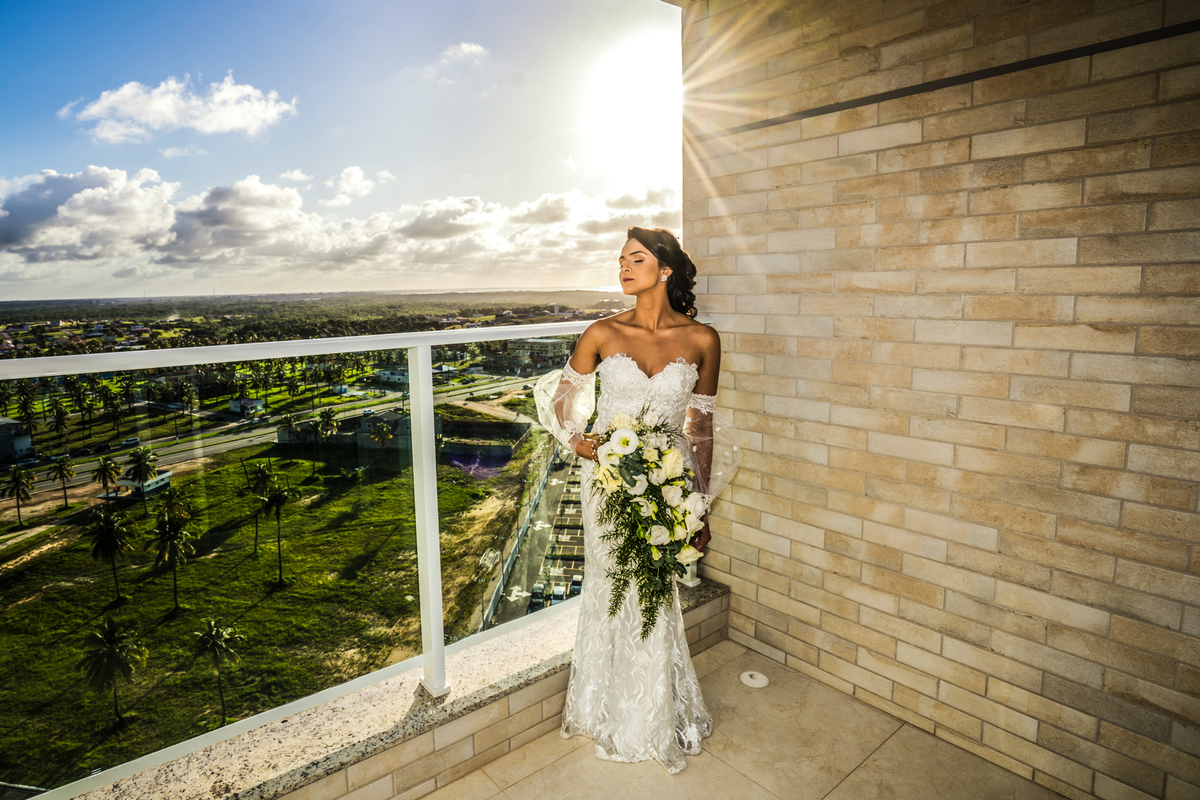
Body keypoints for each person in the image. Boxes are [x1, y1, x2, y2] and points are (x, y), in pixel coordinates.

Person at [534, 226, 739, 773]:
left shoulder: (703, 340)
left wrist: (699, 503)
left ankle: (653, 710)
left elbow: (700, 431)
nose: (622, 267)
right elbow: (558, 400)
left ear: (665, 270)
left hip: (669, 483)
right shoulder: (601, 331)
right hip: (607, 481)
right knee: (611, 587)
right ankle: (607, 708)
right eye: (620, 260)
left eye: (635, 258)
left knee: (655, 592)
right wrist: (579, 443)